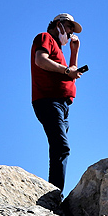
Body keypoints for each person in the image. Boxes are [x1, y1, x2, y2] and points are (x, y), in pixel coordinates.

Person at [31, 13, 84, 191]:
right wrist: (66, 70)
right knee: (61, 147)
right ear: (58, 25)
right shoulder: (44, 37)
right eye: (69, 27)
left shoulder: (60, 52)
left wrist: (74, 52)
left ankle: (53, 191)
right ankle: (54, 194)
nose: (70, 33)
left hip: (62, 105)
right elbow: (40, 60)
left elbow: (70, 77)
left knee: (58, 149)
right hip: (48, 101)